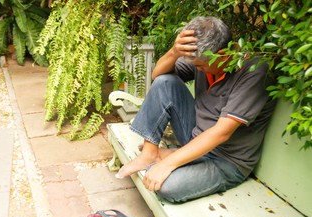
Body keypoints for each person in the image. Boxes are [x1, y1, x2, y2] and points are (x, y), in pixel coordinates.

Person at [115, 16, 277, 203]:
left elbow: (221, 133)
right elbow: (157, 76)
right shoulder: (203, 61)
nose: (197, 70)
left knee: (167, 186)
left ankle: (172, 155)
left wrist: (168, 164)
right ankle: (149, 154)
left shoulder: (255, 71)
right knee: (165, 81)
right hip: (195, 137)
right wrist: (174, 52)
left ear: (225, 53)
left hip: (226, 161)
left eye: (200, 65)